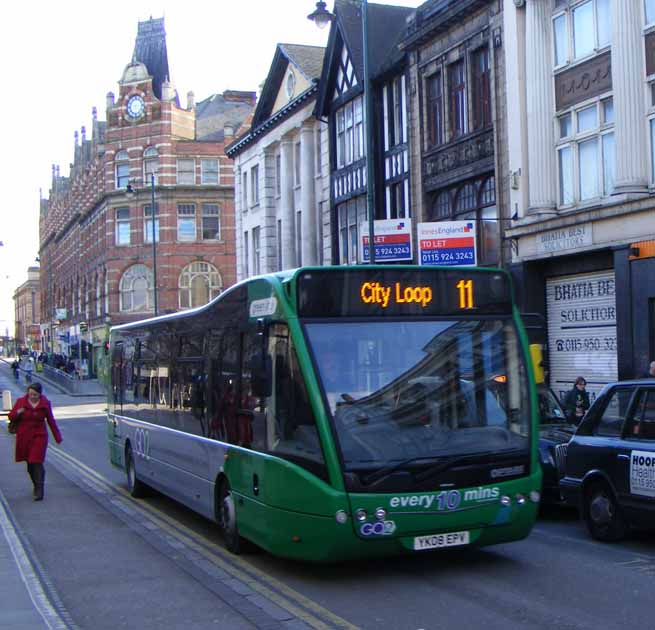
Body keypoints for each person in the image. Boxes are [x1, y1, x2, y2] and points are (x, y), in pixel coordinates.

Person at [7, 383, 62, 501]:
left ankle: (39, 489)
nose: (32, 396)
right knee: (29, 465)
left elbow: (51, 421)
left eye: (35, 395)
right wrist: (18, 412)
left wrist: (57, 437)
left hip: (39, 436)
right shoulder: (21, 401)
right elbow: (11, 417)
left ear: (40, 394)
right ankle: (36, 484)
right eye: (30, 394)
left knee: (36, 461)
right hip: (24, 437)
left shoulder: (45, 403)